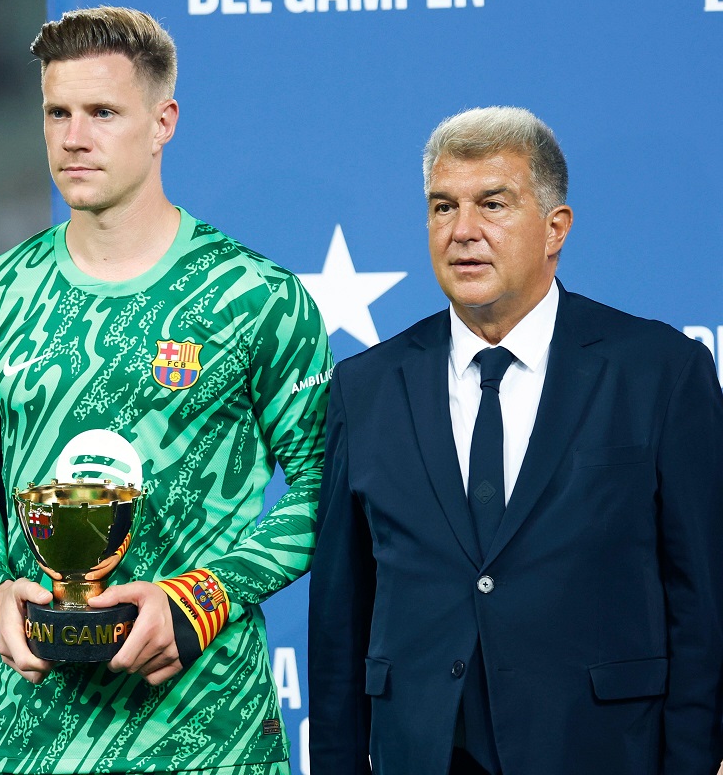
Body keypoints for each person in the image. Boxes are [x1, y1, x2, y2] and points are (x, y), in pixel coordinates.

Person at [0, 6, 331, 775]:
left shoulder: (254, 297)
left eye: (103, 112)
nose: (74, 138)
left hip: (214, 739)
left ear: (162, 121)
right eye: (57, 113)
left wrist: (203, 599)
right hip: (38, 740)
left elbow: (324, 486)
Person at [308, 106, 723, 775]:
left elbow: (703, 606)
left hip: (598, 749)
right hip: (423, 752)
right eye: (443, 207)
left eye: (492, 204)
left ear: (555, 228)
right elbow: (337, 623)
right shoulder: (367, 387)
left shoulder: (661, 373)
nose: (462, 231)